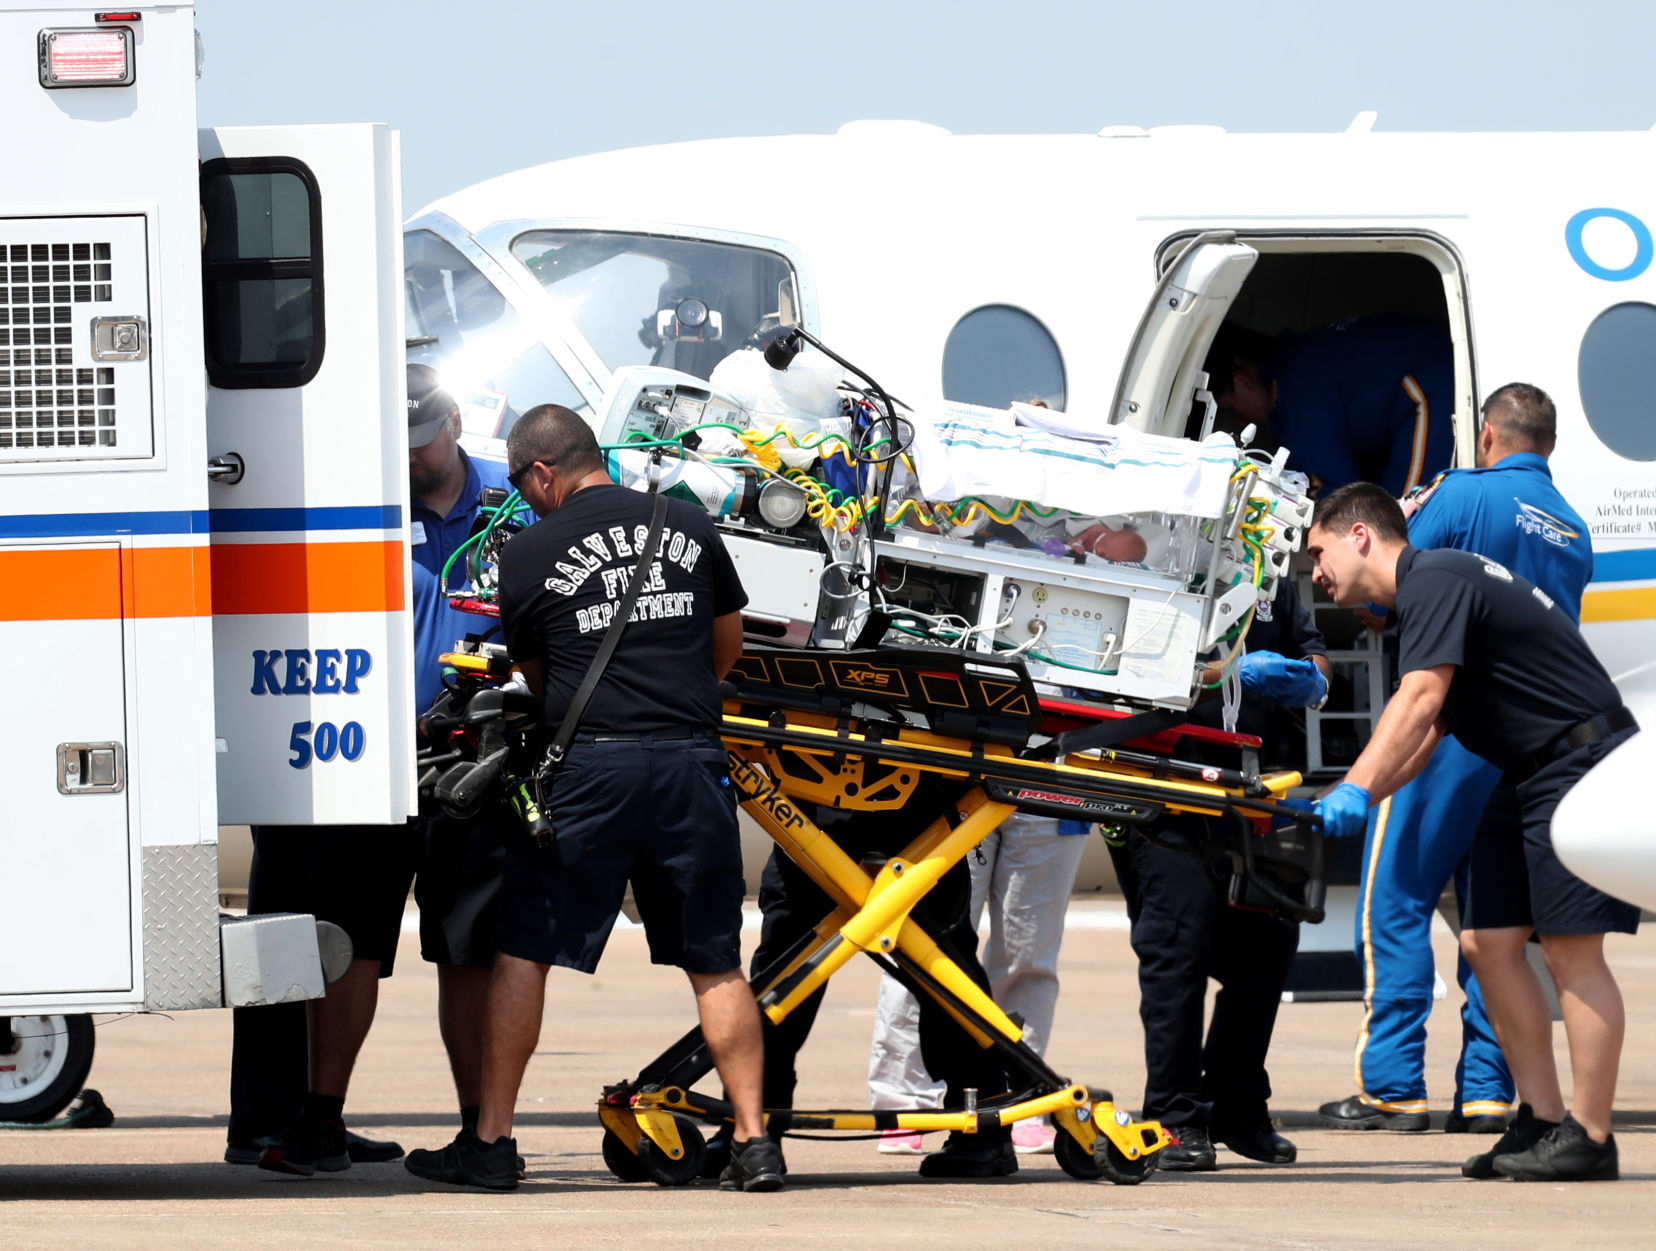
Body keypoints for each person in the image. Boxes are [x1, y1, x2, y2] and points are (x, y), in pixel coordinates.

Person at [406, 403, 781, 1193]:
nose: (524, 499)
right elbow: (727, 644)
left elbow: (541, 683)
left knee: (524, 952)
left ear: (544, 472)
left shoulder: (531, 550)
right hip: (689, 762)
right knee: (716, 962)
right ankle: (754, 1140)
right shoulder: (689, 523)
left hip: (591, 769)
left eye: (522, 484)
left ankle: (493, 1141)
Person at [1308, 483, 1639, 1182]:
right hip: (1521, 771)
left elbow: (1419, 696)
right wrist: (1363, 797)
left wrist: (1354, 786)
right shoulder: (1426, 596)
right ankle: (1542, 1119)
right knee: (1487, 942)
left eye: (1318, 550)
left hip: (1577, 763)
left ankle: (1592, 1132)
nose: (1314, 571)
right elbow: (1431, 730)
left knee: (1572, 954)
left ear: (1359, 535)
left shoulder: (1434, 579)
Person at [228, 364, 513, 1176]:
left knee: (467, 951)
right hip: (369, 756)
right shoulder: (362, 496)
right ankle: (317, 1118)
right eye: (401, 446)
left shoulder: (511, 502)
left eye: (424, 443)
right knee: (348, 940)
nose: (414, 459)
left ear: (455, 423)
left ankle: (476, 1128)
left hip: (473, 761)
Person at [1319, 383, 1591, 1136]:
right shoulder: (1573, 527)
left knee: (1396, 899)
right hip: (1516, 744)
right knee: (1494, 926)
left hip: (1446, 727)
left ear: (1486, 437)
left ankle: (1393, 1084)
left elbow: (1395, 578)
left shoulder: (1463, 494)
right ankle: (1486, 1091)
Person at [1109, 578, 1330, 1172]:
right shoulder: (1155, 554)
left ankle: (1237, 1105)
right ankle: (1174, 1117)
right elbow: (1119, 664)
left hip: (1253, 792)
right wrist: (1217, 676)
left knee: (1267, 950)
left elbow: (1314, 652)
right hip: (1167, 790)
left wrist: (1312, 678)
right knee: (1176, 954)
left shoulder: (1268, 570)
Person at [730, 779, 1017, 1179]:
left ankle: (749, 1129)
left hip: (889, 805)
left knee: (944, 972)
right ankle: (749, 1126)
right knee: (786, 972)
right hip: (843, 802)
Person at [867, 812, 1090, 1157]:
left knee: (1028, 954)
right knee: (924, 945)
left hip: (1050, 792)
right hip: (963, 779)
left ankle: (1020, 1093)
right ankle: (902, 1098)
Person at [1208, 315, 1454, 498]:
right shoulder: (1296, 363)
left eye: (1231, 409)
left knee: (1404, 521)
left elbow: (1338, 493)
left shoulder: (1296, 392)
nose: (1240, 421)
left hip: (1426, 382)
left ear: (1243, 381)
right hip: (1427, 365)